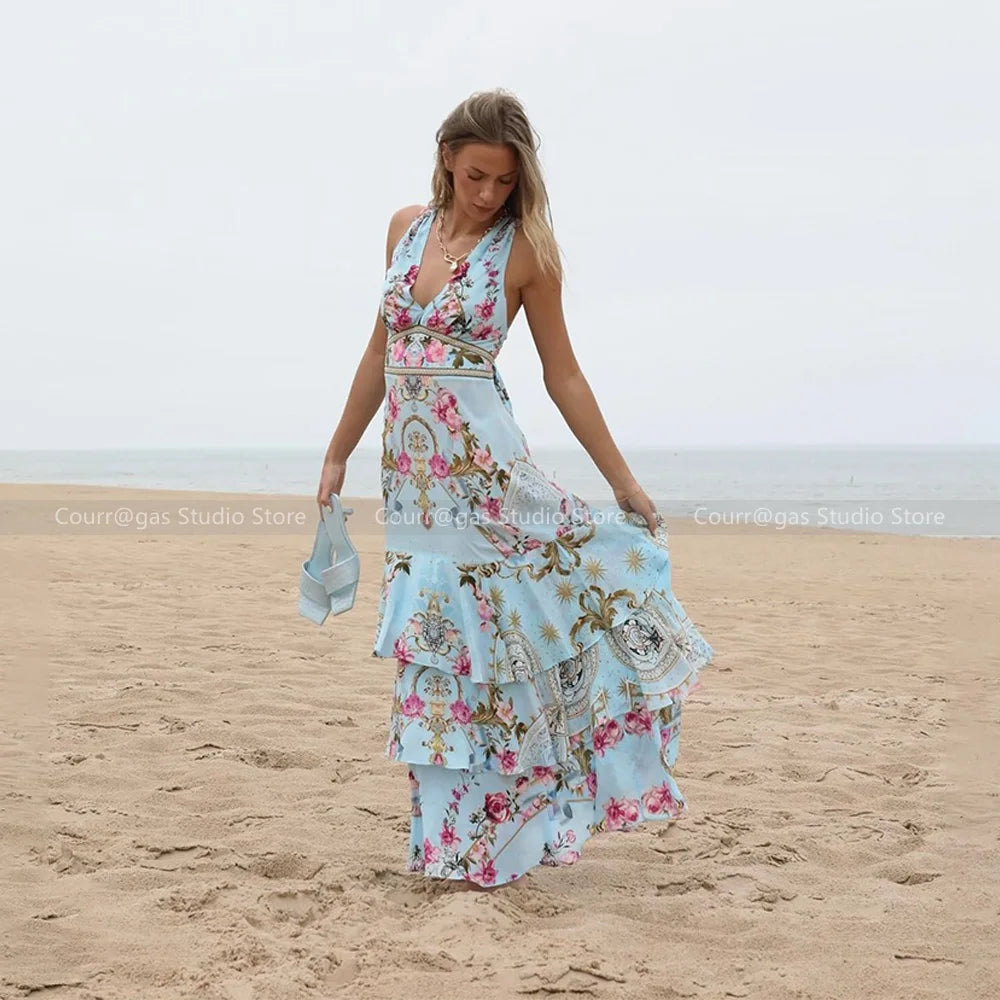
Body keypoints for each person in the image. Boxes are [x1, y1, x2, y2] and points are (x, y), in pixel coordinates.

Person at [317, 88, 715, 891]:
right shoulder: (404, 230)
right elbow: (378, 354)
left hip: (488, 478)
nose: (489, 194)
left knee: (496, 642)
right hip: (414, 484)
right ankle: (447, 844)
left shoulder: (527, 249)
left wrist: (623, 482)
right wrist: (338, 453)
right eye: (475, 177)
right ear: (446, 162)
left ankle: (502, 835)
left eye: (503, 180)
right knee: (436, 652)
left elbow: (561, 372)